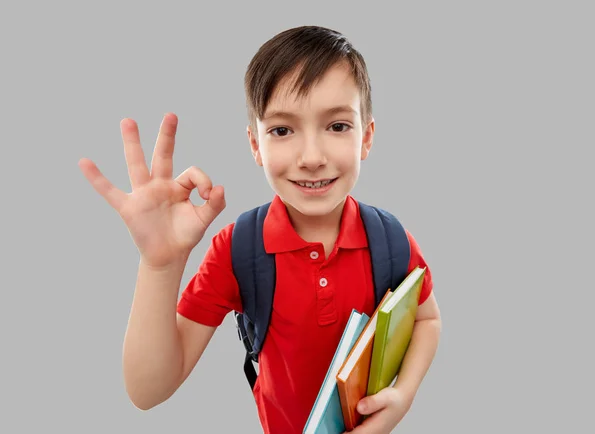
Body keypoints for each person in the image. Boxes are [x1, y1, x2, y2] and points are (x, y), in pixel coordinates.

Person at [78, 25, 441, 434]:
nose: (311, 157)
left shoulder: (389, 239)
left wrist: (404, 396)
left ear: (367, 137)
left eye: (337, 126)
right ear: (255, 145)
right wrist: (160, 266)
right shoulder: (239, 251)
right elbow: (147, 391)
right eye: (282, 130)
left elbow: (428, 320)